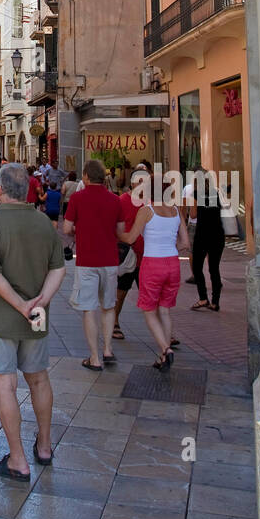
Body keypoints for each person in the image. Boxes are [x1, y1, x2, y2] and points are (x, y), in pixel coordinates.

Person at [0, 163, 66, 482]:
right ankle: (44, 446)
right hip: (37, 317)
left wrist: (22, 305)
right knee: (39, 379)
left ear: (0, 189)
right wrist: (40, 301)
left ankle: (17, 459)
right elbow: (59, 268)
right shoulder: (43, 222)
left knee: (6, 383)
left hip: (0, 318)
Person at [61, 159, 129, 371]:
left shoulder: (78, 198)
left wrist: (79, 230)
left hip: (87, 260)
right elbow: (120, 231)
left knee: (89, 309)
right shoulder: (115, 200)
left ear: (86, 177)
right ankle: (108, 349)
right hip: (110, 260)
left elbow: (66, 228)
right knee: (108, 306)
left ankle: (94, 357)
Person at [119, 181, 191, 368]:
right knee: (165, 310)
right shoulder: (176, 211)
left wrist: (117, 232)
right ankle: (162, 355)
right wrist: (170, 247)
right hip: (173, 263)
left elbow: (130, 238)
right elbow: (185, 243)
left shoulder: (146, 211)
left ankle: (166, 349)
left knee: (149, 310)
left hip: (152, 263)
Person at [113, 161, 151, 340]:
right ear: (133, 182)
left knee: (151, 294)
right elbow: (115, 227)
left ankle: (165, 331)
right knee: (121, 292)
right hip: (128, 255)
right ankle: (114, 323)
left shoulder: (151, 203)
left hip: (147, 256)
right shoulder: (122, 201)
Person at [186, 167, 225, 312]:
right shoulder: (215, 193)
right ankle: (215, 302)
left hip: (203, 235)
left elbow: (194, 215)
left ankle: (203, 298)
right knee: (214, 269)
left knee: (197, 267)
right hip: (218, 235)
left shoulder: (196, 194)